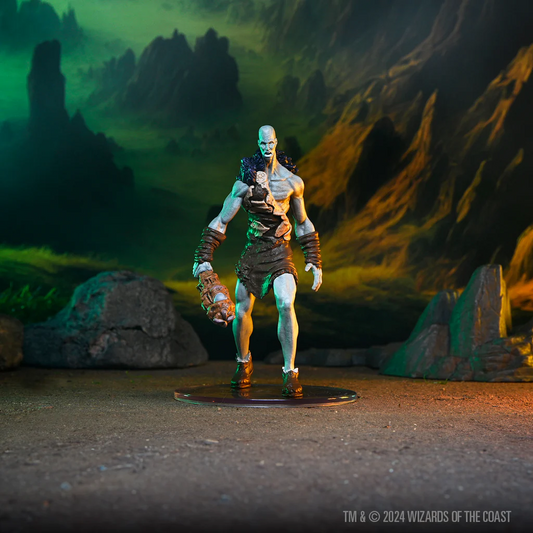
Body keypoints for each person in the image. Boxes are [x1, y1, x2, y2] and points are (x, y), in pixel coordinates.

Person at [193, 125, 322, 397]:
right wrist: (203, 255)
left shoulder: (292, 182)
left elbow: (302, 221)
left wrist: (313, 256)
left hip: (280, 251)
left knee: (286, 303)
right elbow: (222, 219)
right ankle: (243, 363)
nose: (267, 148)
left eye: (271, 143)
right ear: (258, 143)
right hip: (254, 251)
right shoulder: (245, 183)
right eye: (263, 144)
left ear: (276, 143)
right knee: (242, 310)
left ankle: (290, 371)